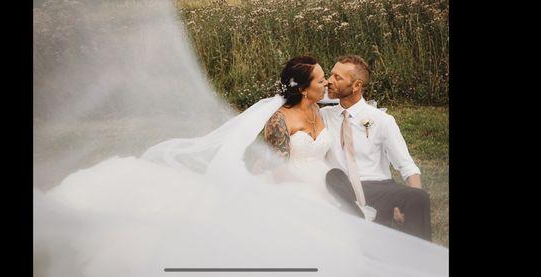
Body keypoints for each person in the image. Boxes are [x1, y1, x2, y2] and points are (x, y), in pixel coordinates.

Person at [36, 56, 447, 276]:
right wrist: (314, 183)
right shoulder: (279, 120)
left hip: (334, 182)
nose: (327, 83)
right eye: (322, 78)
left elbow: (354, 114)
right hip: (303, 184)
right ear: (305, 88)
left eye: (330, 78)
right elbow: (281, 165)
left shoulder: (329, 111)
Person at [321, 55, 432, 241]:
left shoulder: (382, 120)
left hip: (377, 188)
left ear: (356, 86)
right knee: (336, 180)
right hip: (343, 187)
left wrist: (408, 200)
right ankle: (358, 215)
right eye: (331, 75)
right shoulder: (323, 116)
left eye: (337, 77)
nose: (329, 81)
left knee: (419, 198)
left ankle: (419, 263)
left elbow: (406, 166)